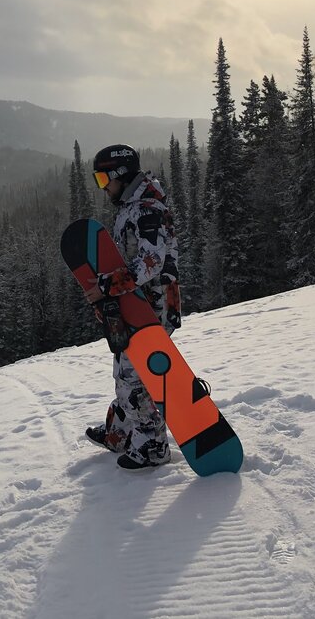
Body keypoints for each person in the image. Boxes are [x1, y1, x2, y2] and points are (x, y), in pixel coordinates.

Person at [83, 144, 182, 470]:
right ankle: (121, 433)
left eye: (102, 178)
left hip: (150, 309)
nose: (102, 186)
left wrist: (107, 286)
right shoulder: (133, 207)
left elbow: (150, 263)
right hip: (137, 306)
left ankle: (153, 446)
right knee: (126, 373)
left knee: (134, 379)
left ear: (119, 175)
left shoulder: (145, 210)